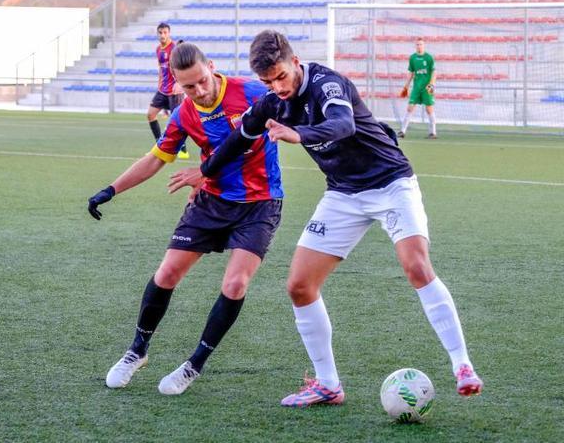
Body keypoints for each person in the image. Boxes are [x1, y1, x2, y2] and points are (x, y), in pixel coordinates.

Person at [199, 30, 482, 407]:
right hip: (343, 194)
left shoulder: (326, 83)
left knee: (415, 266)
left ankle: (462, 365)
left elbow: (342, 126)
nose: (277, 87)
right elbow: (237, 141)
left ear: (295, 62)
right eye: (268, 81)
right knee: (300, 285)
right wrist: (206, 173)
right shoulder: (272, 102)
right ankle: (328, 384)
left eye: (281, 76)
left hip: (390, 183)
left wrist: (298, 134)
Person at [88, 43, 282, 395]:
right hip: (210, 203)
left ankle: (194, 365)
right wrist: (111, 190)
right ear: (177, 84)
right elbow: (155, 159)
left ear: (211, 67)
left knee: (235, 284)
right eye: (189, 87)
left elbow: (300, 106)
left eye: (203, 81)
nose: (200, 91)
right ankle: (137, 351)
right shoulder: (183, 115)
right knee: (166, 273)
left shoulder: (251, 92)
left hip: (260, 204)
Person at [148, 22, 188, 159]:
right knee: (150, 115)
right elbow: (161, 68)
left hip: (174, 91)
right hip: (162, 90)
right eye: (160, 32)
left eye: (165, 32)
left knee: (176, 121)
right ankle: (159, 147)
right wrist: (160, 82)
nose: (162, 35)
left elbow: (182, 66)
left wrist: (179, 83)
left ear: (169, 33)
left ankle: (183, 149)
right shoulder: (158, 49)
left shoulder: (174, 48)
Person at [398, 37, 437, 139]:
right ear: (415, 46)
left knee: (429, 109)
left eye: (421, 44)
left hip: (427, 87)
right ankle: (402, 131)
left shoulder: (429, 58)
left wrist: (431, 85)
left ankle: (433, 132)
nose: (419, 46)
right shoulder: (413, 58)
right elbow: (411, 73)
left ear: (424, 45)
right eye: (417, 44)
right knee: (410, 107)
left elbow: (434, 72)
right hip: (416, 87)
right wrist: (406, 86)